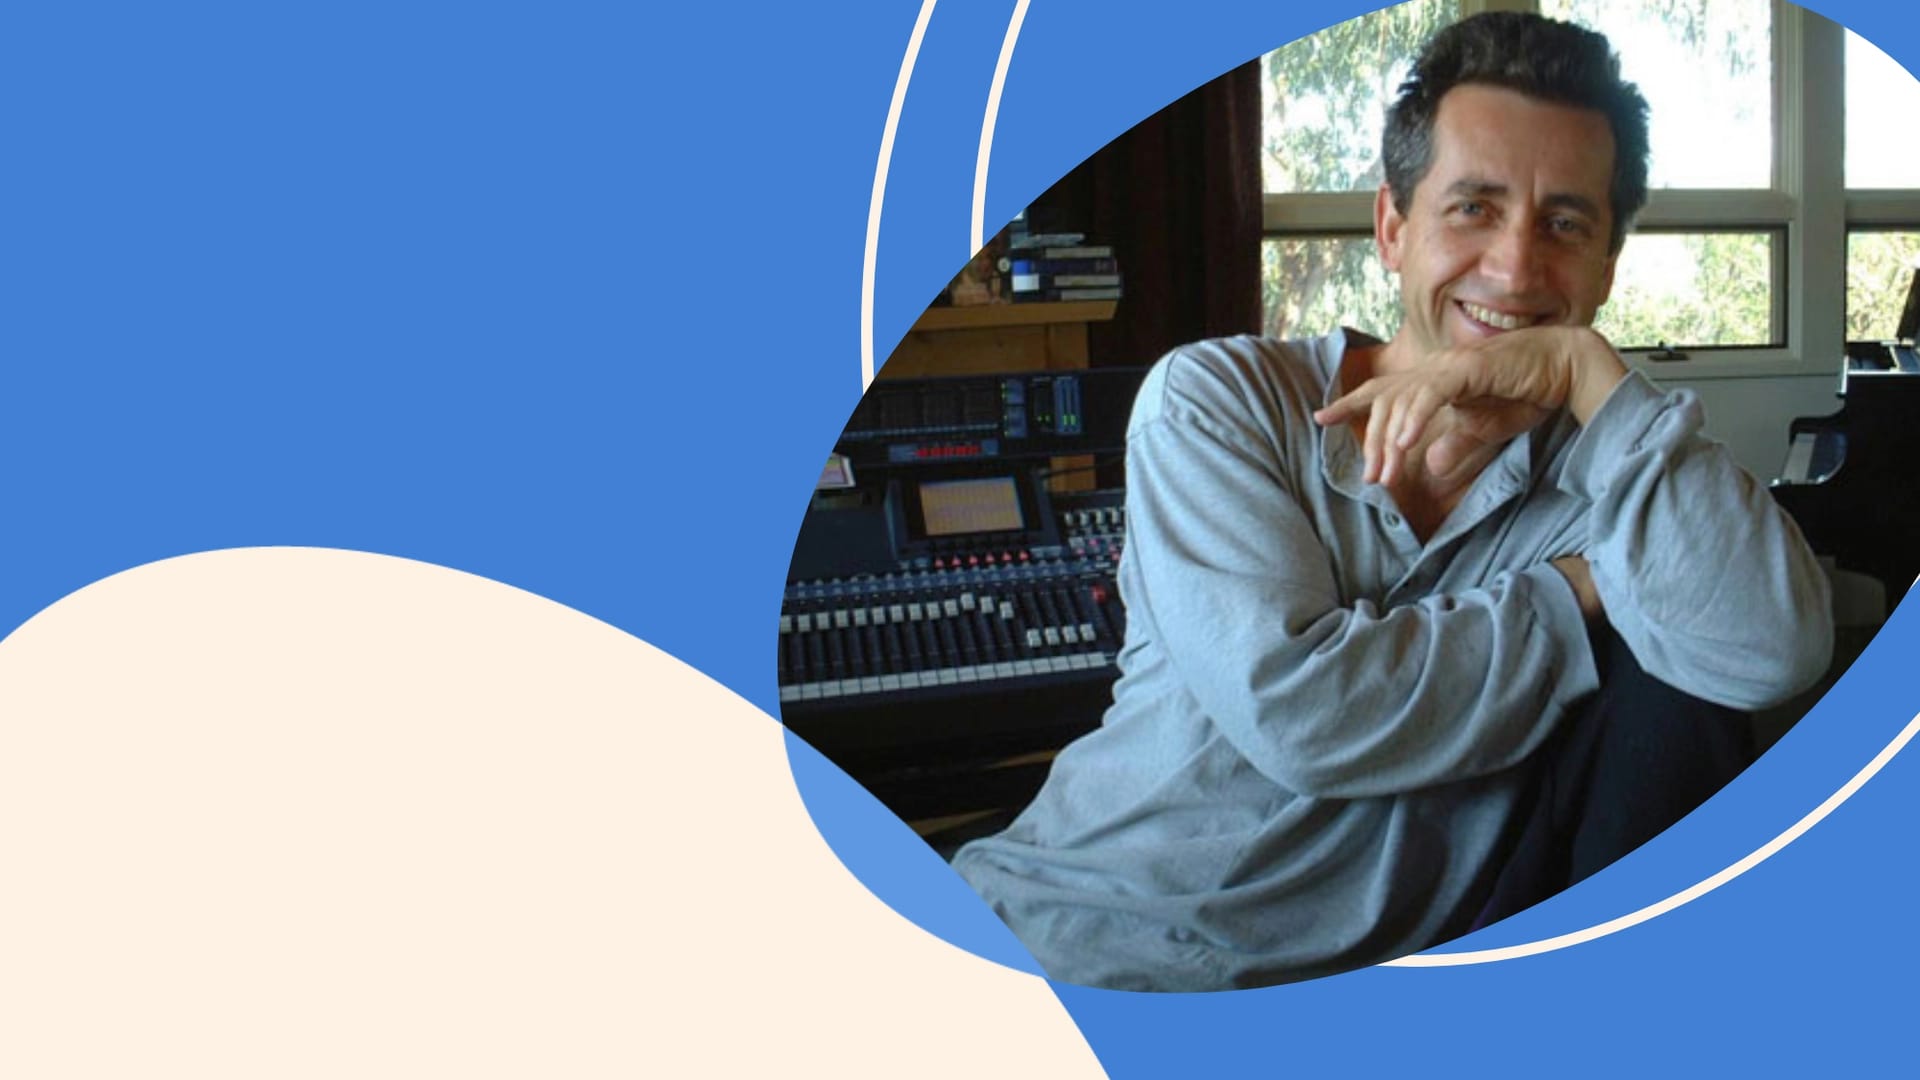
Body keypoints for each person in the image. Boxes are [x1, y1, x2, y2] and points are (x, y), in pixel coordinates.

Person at [950, 11, 1833, 991]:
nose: (1515, 268)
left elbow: (1773, 653)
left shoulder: (1616, 476)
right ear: (1392, 229)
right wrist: (1579, 589)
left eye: (1565, 224)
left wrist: (1592, 374)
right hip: (1063, 940)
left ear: (1607, 267)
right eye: (1474, 208)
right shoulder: (1220, 400)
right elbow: (1302, 714)